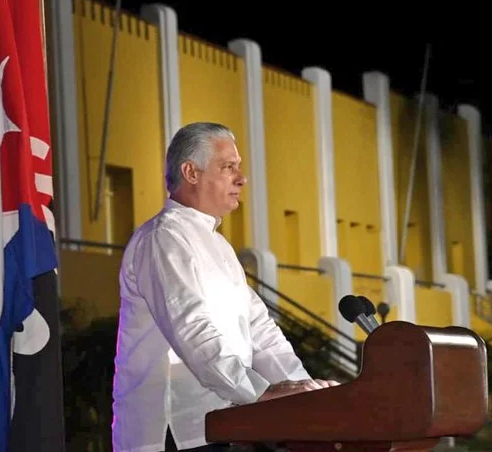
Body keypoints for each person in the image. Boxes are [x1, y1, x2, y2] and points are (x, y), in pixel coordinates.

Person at [112, 122, 339, 452]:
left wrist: (304, 390)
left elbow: (261, 331)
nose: (241, 179)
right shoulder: (164, 238)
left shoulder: (218, 246)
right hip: (172, 431)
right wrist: (261, 393)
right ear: (191, 172)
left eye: (239, 168)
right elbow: (192, 330)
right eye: (228, 167)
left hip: (219, 424)